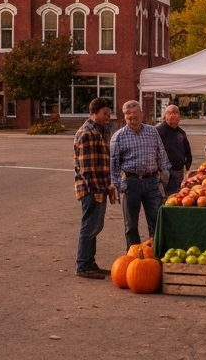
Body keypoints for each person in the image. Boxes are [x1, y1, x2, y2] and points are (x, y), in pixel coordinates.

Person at [109, 100, 171, 248]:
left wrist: (164, 173)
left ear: (141, 113)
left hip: (151, 182)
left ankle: (156, 252)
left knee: (156, 220)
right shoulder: (118, 137)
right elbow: (114, 165)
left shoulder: (152, 131)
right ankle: (134, 254)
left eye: (134, 112)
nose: (131, 116)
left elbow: (161, 154)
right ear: (124, 116)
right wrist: (116, 186)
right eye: (127, 113)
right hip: (131, 183)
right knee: (130, 224)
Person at [73, 98, 118, 279]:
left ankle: (90, 263)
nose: (107, 117)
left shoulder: (99, 131)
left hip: (99, 188)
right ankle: (83, 265)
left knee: (95, 227)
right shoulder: (87, 133)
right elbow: (88, 169)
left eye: (108, 113)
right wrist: (99, 190)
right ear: (95, 113)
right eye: (104, 113)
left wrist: (108, 187)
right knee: (89, 226)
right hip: (91, 190)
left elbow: (103, 164)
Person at [157, 104, 193, 196]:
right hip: (165, 172)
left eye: (175, 113)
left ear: (179, 116)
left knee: (177, 195)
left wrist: (187, 166)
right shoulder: (158, 131)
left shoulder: (181, 133)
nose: (172, 115)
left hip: (179, 171)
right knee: (167, 197)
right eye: (169, 113)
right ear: (165, 115)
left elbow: (187, 150)